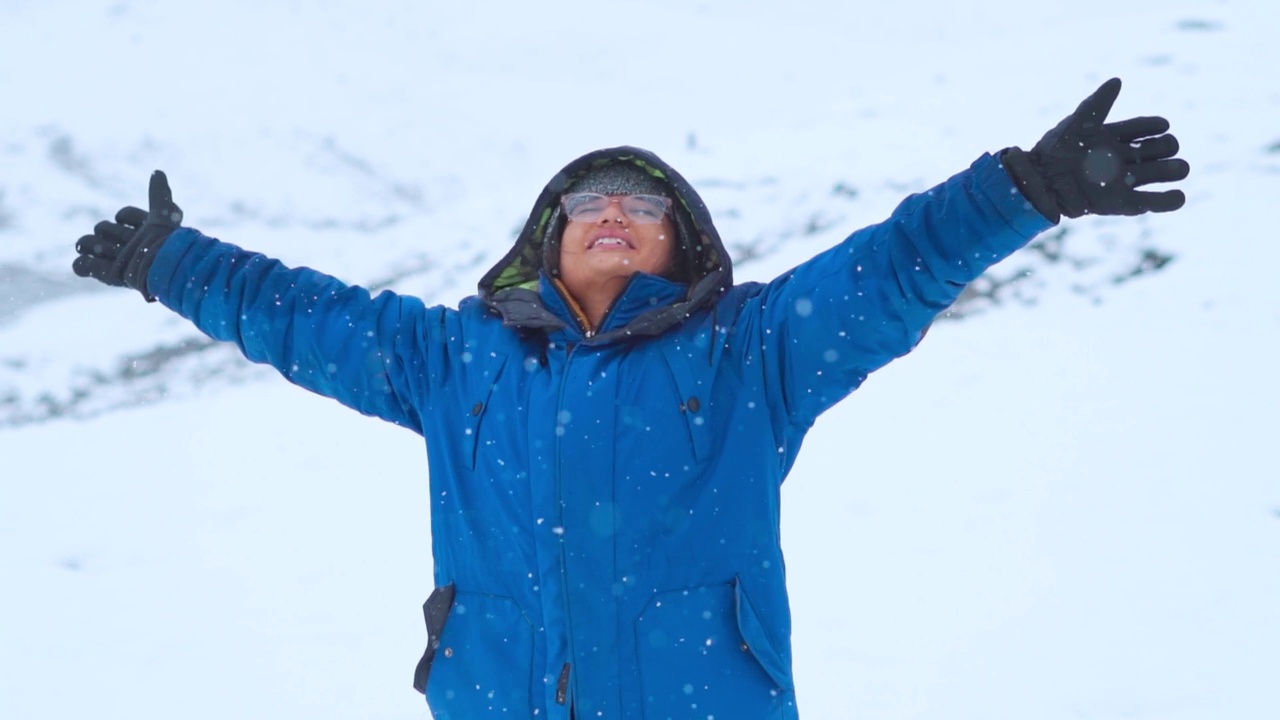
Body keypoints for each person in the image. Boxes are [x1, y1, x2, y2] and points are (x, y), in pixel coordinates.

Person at [72, 78, 1188, 719]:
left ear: (676, 237)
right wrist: (173, 264)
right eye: (588, 198)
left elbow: (890, 267)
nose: (612, 210)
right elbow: (303, 317)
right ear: (547, 235)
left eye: (641, 201)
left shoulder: (748, 352)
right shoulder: (455, 358)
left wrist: (1022, 192)